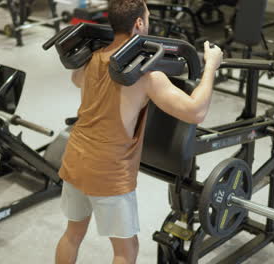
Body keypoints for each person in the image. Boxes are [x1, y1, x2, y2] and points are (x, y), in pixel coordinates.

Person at [54, 0, 223, 263]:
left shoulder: (92, 59)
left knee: (73, 234)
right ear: (139, 23)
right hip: (109, 172)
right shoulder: (146, 75)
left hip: (75, 158)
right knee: (125, 249)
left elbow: (76, 80)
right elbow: (195, 111)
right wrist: (211, 65)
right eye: (148, 17)